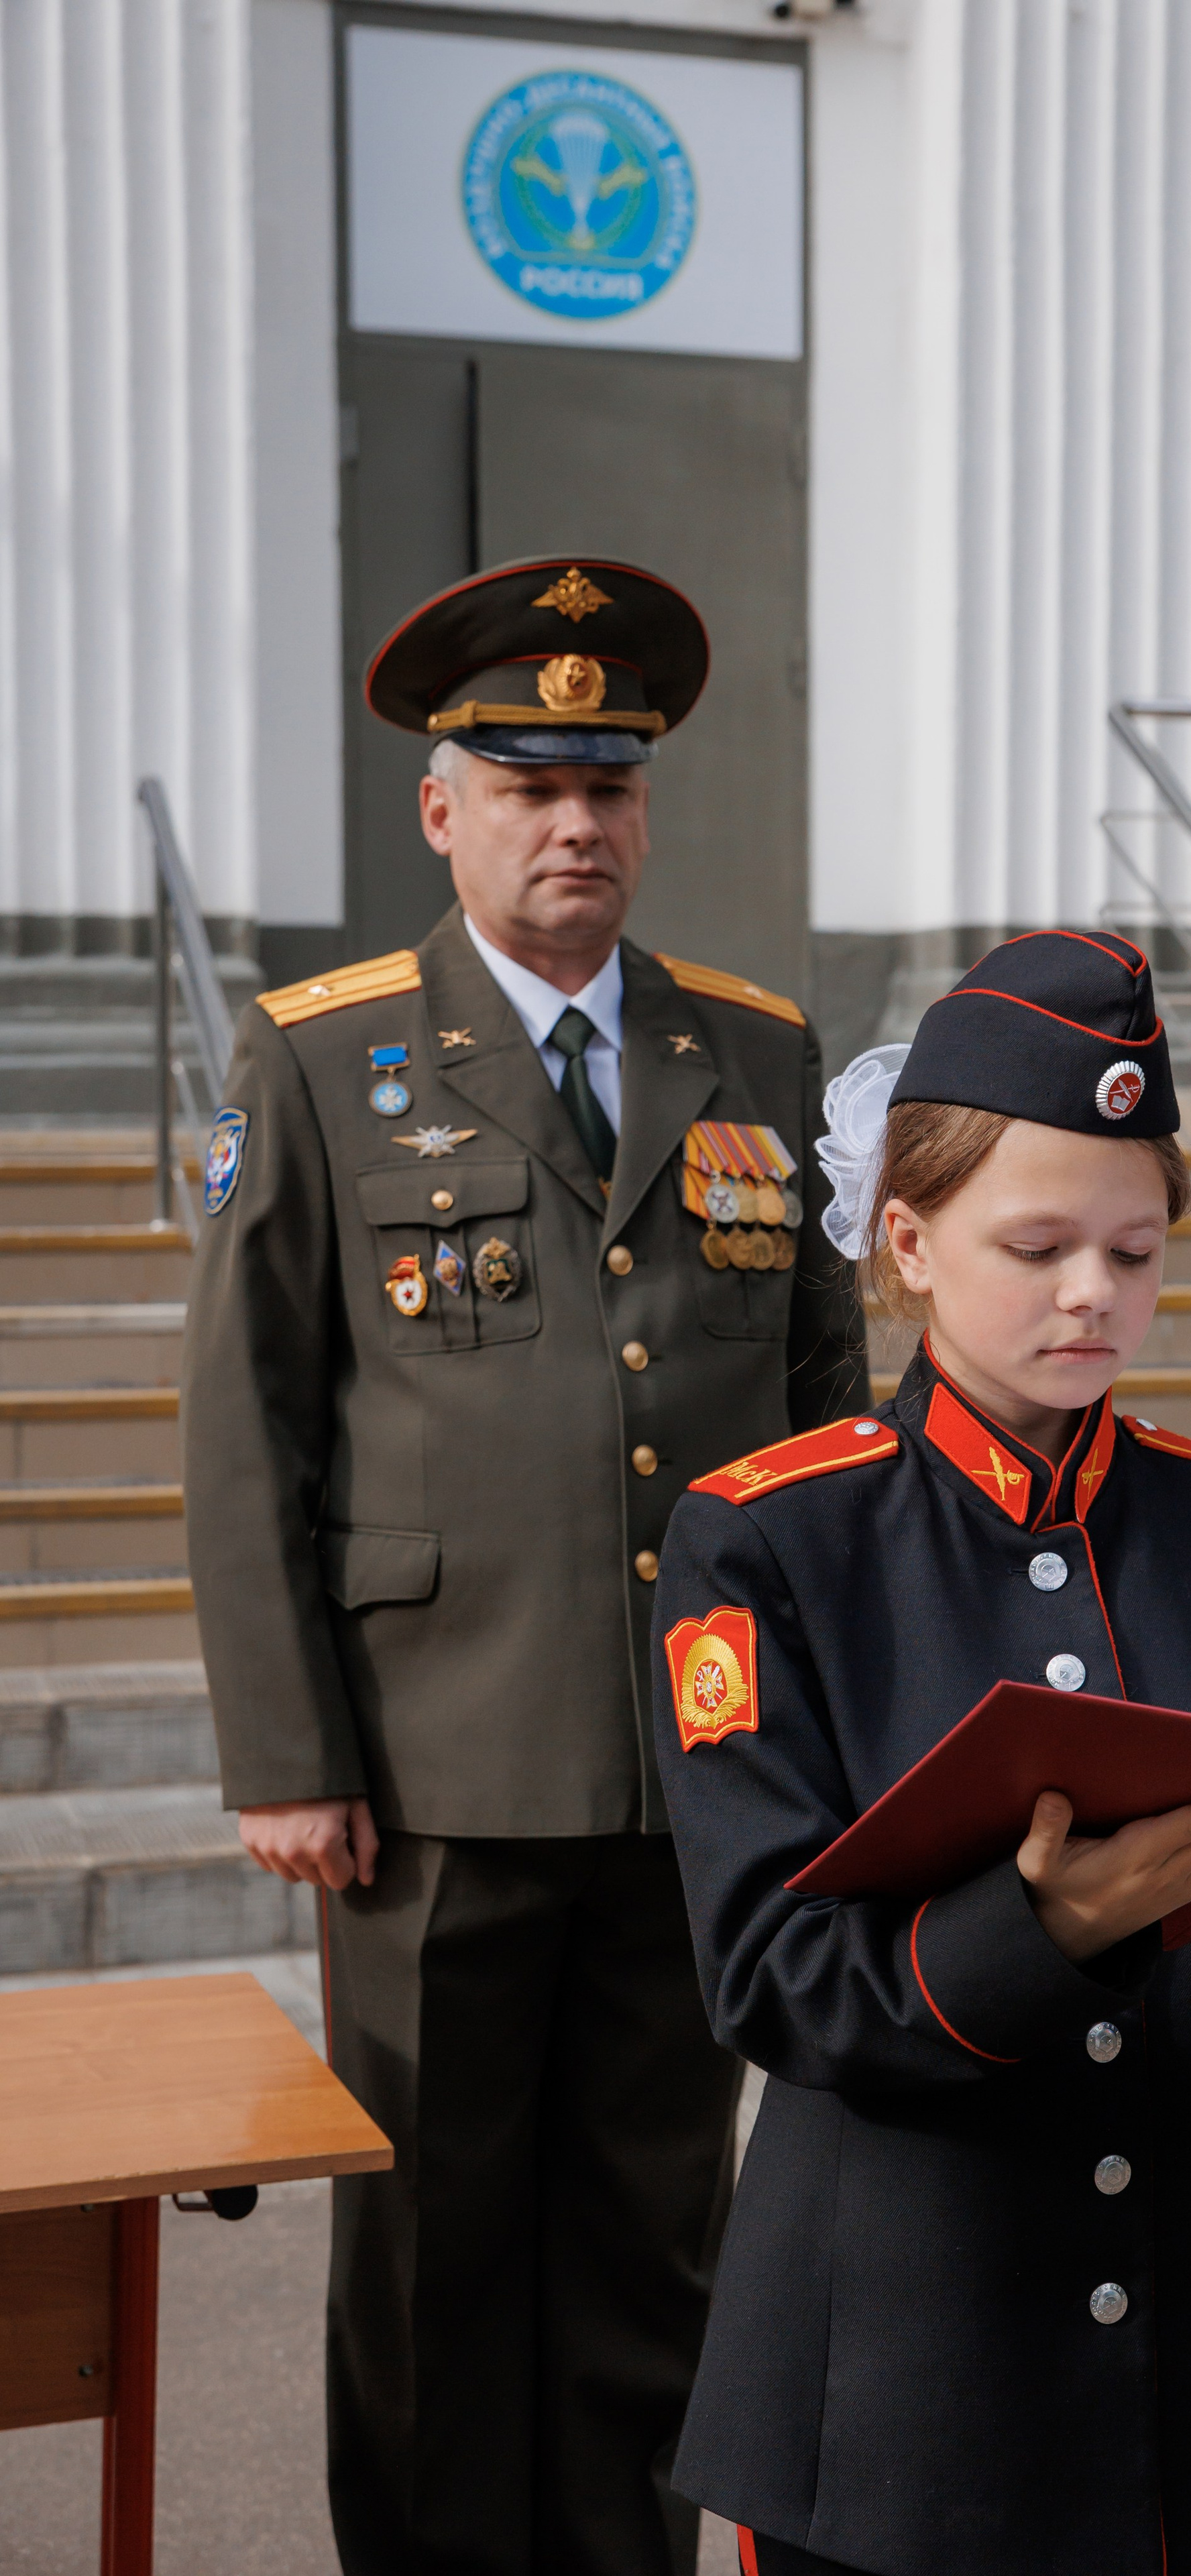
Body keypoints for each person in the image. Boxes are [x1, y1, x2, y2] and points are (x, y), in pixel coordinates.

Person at [648, 929, 1191, 2576]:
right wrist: (1042, 1931)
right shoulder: (772, 1543)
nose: (1089, 1295)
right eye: (1035, 1243)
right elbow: (768, 1975)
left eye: (1133, 1250)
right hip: (896, 2372)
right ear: (903, 1240)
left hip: (1185, 2360)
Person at [180, 556, 869, 2576]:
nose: (577, 825)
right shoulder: (320, 1062)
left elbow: (825, 1407)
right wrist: (285, 1751)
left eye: (612, 785)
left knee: (662, 2231)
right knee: (430, 2246)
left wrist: (825, 1722)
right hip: (428, 1779)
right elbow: (247, 1428)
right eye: (528, 783)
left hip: (700, 1772)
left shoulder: (748, 1052)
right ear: (443, 808)